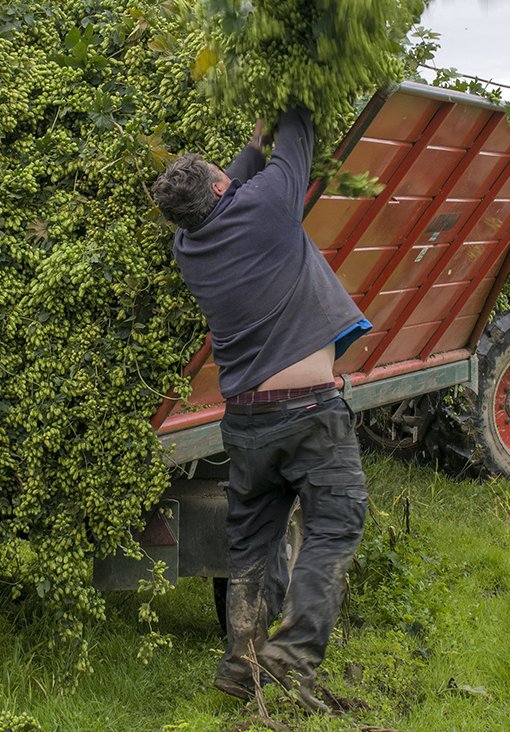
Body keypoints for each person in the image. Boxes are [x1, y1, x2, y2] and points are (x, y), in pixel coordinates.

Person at [150, 107, 370, 715]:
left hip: (245, 422)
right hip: (307, 414)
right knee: (340, 517)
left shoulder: (187, 246)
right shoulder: (271, 205)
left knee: (252, 543)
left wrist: (252, 139)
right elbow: (300, 130)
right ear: (223, 186)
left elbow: (233, 184)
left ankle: (241, 665)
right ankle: (294, 652)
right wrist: (292, 92)